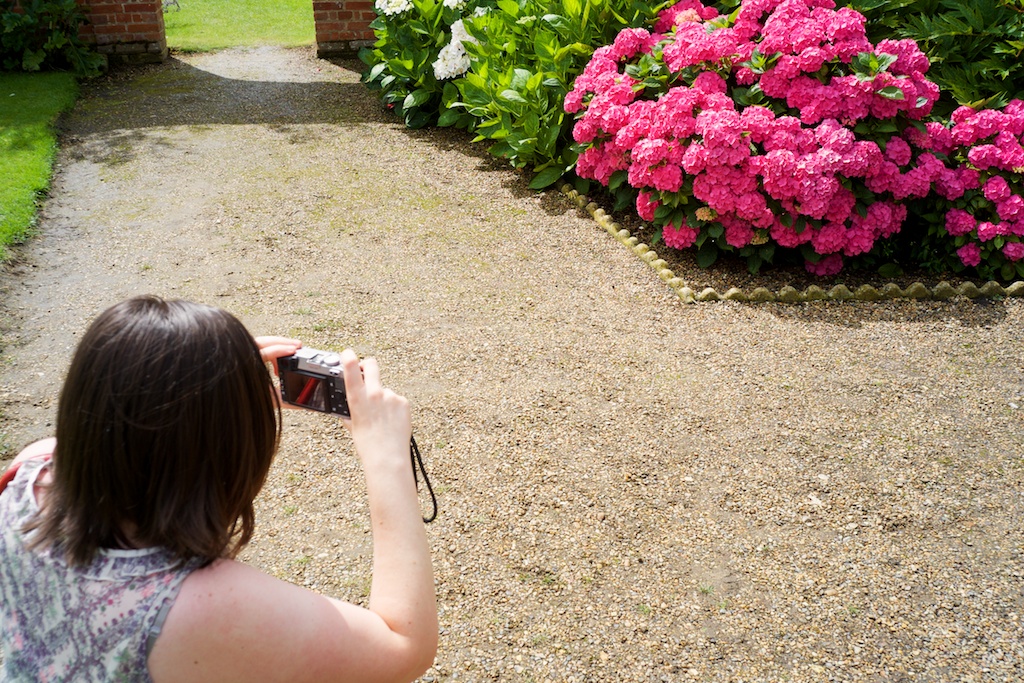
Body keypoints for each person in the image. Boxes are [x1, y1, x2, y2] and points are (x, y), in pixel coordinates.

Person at [0, 295, 437, 682]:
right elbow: (403, 648)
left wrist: (214, 391)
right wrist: (387, 459)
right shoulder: (201, 609)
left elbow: (125, 433)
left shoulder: (29, 472)